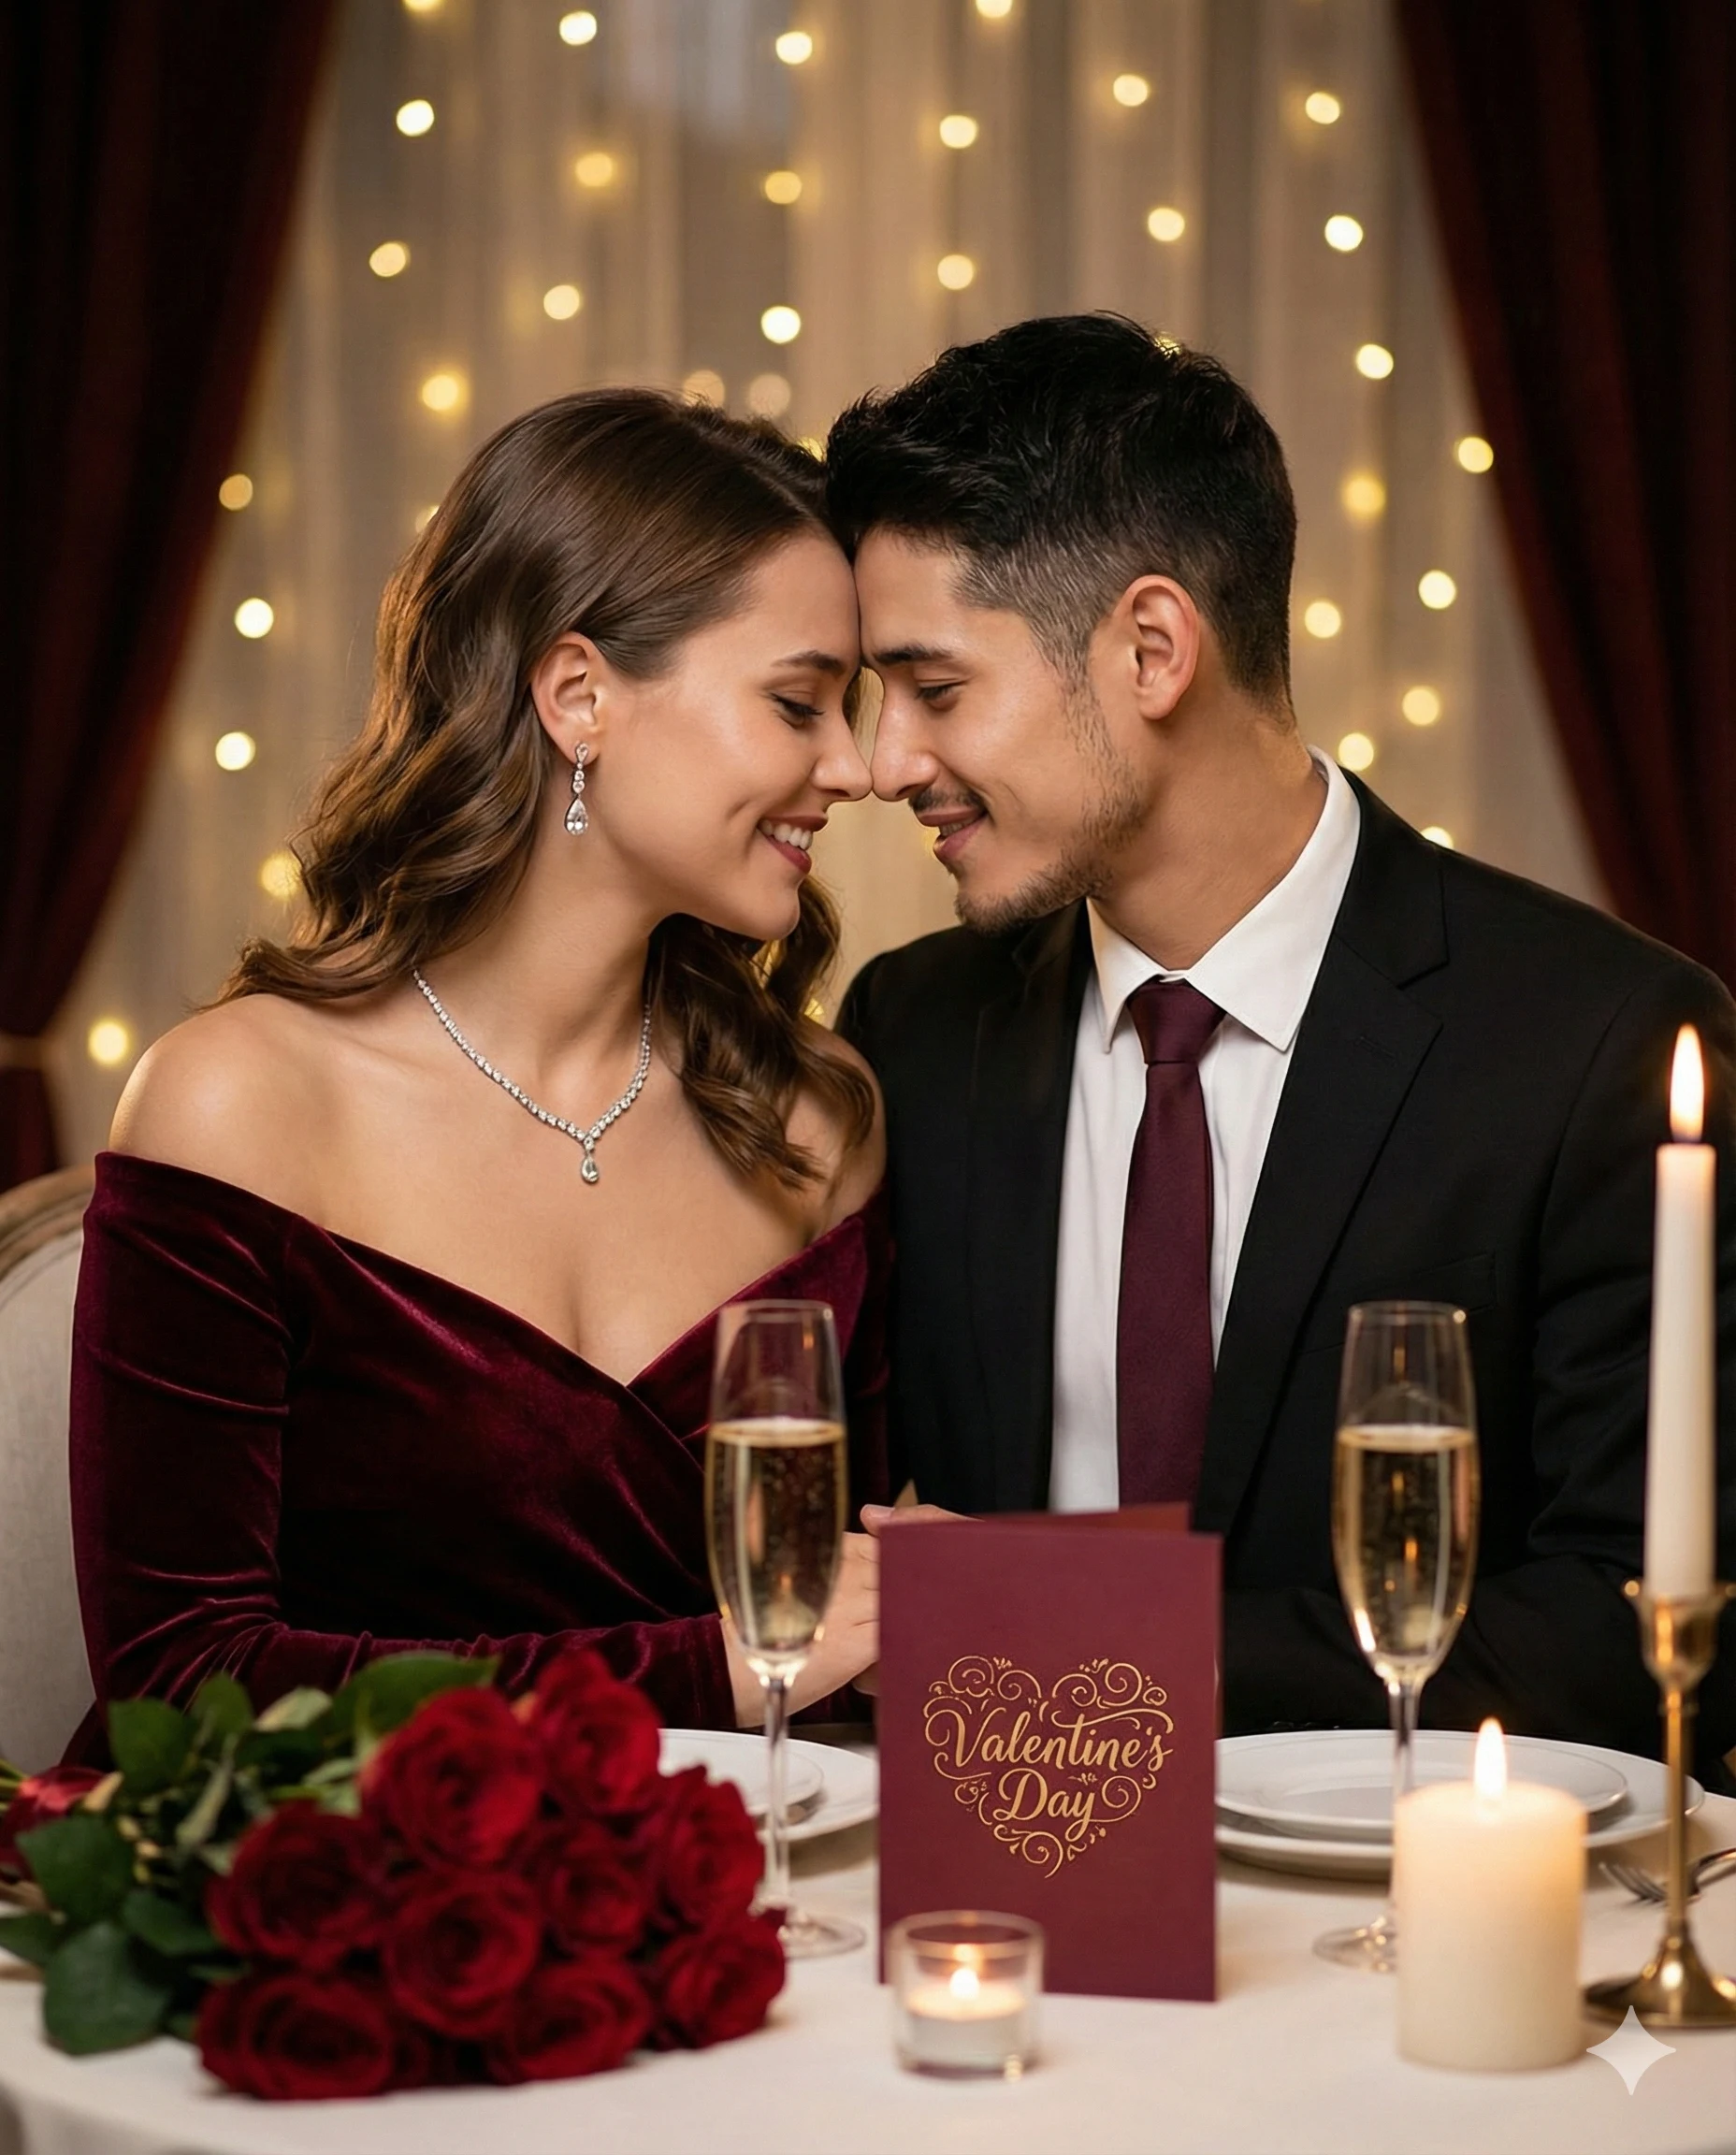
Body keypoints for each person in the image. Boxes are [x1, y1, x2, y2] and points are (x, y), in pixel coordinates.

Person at [826, 313, 1736, 1777]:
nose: (883, 763)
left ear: (1152, 647)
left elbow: (1623, 1621)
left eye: (934, 689)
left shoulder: (1596, 1041)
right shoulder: (912, 1030)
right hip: (998, 1914)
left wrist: (1061, 1622)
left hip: (1401, 1936)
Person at [66, 390, 887, 1760]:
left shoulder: (815, 1124)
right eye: (800, 702)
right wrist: (712, 1673)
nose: (855, 767)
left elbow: (855, 1630)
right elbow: (180, 1678)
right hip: (311, 1900)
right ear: (579, 695)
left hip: (716, 1899)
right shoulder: (240, 1102)